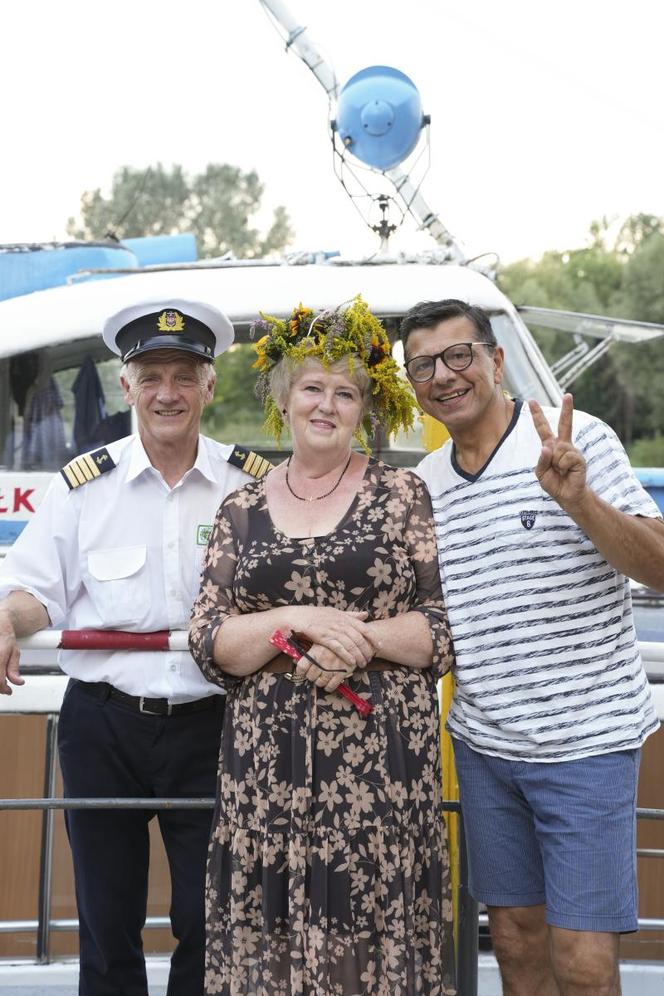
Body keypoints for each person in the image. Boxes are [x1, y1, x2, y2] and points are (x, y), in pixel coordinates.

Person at [0, 299, 272, 996]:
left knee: (212, 915)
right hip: (105, 725)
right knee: (107, 919)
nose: (168, 394)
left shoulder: (253, 486)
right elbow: (37, 592)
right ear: (126, 386)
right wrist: (7, 617)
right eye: (151, 377)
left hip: (216, 725)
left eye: (185, 376)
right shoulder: (82, 487)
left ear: (210, 385)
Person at [189, 296, 457, 996]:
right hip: (265, 770)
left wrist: (357, 641)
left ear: (365, 408)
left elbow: (438, 629)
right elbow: (210, 638)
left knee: (368, 940)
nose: (326, 405)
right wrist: (303, 616)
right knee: (269, 947)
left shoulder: (403, 495)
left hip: (380, 771)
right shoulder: (240, 509)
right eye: (313, 387)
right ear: (284, 397)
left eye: (346, 392)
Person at [401, 297, 664, 996]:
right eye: (423, 365)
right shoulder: (423, 486)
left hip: (587, 740)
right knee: (515, 944)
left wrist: (580, 501)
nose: (444, 375)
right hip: (487, 746)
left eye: (459, 355)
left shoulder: (580, 443)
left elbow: (660, 566)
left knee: (581, 959)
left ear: (494, 359)